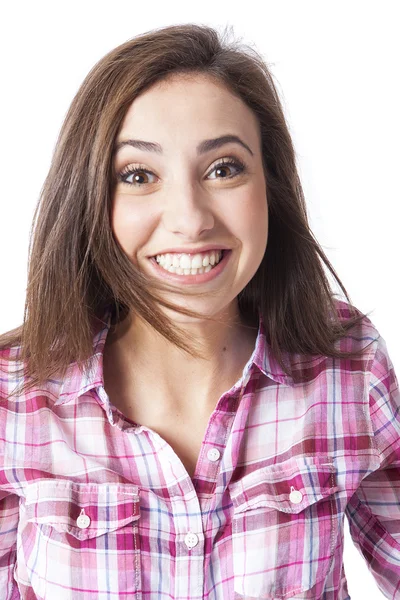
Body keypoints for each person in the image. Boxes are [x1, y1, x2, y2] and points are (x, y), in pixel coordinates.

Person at [0, 22, 399, 600]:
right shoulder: (15, 393)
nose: (189, 219)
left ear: (272, 185)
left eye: (223, 169)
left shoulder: (347, 365)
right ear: (90, 200)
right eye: (138, 176)